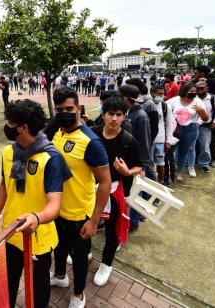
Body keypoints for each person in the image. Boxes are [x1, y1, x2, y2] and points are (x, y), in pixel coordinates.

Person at [0, 99, 71, 308]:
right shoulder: (8, 152)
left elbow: (54, 205)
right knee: (8, 283)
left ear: (23, 127)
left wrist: (36, 217)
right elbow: (4, 186)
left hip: (37, 238)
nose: (7, 127)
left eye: (9, 123)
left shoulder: (50, 158)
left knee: (38, 289)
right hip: (10, 231)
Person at [49, 87, 111, 308]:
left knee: (79, 257)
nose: (65, 113)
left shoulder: (90, 141)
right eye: (60, 110)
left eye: (69, 108)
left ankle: (79, 294)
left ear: (79, 109)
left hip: (79, 213)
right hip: (56, 208)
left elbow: (104, 183)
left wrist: (94, 220)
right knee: (59, 248)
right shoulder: (57, 132)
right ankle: (59, 276)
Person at [91, 96, 142, 286]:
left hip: (115, 190)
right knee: (89, 222)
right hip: (91, 189)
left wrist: (127, 171)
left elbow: (140, 167)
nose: (114, 119)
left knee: (112, 230)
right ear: (103, 115)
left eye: (119, 115)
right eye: (110, 114)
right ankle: (86, 251)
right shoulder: (92, 135)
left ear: (124, 117)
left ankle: (106, 264)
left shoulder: (129, 141)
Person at [119, 85, 151, 230]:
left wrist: (142, 166)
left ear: (125, 98)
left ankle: (133, 222)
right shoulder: (126, 113)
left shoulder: (140, 116)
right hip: (125, 160)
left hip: (135, 162)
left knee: (136, 193)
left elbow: (144, 142)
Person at [167, 83, 209, 182]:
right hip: (175, 129)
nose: (194, 93)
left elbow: (206, 119)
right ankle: (167, 170)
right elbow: (164, 107)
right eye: (191, 91)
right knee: (170, 151)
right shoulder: (175, 100)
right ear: (184, 91)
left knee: (183, 151)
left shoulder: (197, 101)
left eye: (195, 91)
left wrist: (201, 110)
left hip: (190, 129)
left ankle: (179, 172)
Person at [193, 81, 215, 172]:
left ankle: (204, 163)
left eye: (202, 88)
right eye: (198, 89)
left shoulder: (213, 98)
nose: (199, 91)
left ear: (207, 88)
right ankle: (191, 162)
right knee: (192, 145)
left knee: (205, 145)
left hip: (205, 126)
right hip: (193, 125)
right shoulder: (193, 98)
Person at [150, 85, 174, 184]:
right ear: (152, 93)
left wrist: (168, 141)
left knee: (161, 163)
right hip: (149, 141)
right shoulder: (147, 104)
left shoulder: (165, 106)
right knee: (149, 164)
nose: (161, 96)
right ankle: (151, 183)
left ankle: (162, 182)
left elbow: (169, 124)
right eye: (158, 93)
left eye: (162, 93)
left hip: (160, 140)